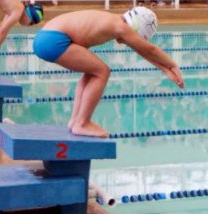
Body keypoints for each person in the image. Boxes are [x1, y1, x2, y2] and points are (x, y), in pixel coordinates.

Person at [31, 8, 183, 138]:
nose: (127, 41)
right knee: (102, 72)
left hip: (45, 37)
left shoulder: (114, 20)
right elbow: (150, 49)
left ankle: (75, 121)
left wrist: (165, 69)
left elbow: (141, 49)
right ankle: (82, 123)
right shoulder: (119, 26)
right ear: (136, 28)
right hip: (54, 40)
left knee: (91, 72)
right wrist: (173, 65)